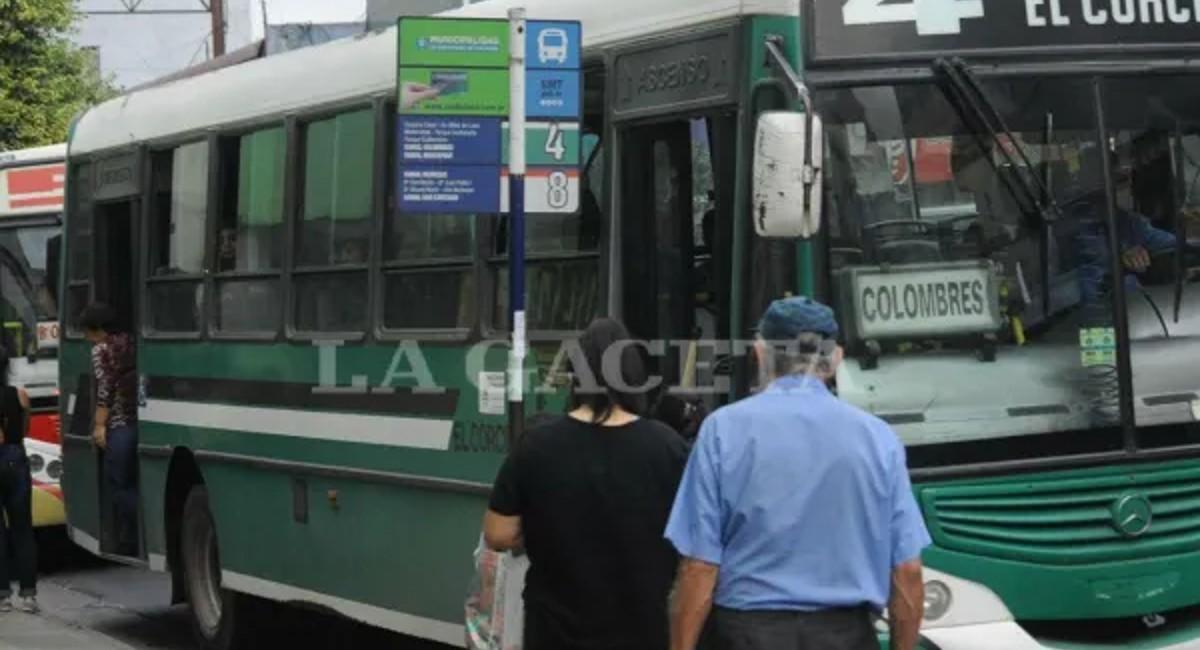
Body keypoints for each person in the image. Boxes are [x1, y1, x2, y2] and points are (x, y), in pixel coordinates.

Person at [666, 296, 931, 650]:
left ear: (760, 353)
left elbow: (698, 567)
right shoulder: (878, 438)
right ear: (836, 358)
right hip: (846, 636)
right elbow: (907, 571)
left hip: (746, 636)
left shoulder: (722, 431)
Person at [483, 318, 688, 650]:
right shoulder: (668, 447)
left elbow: (497, 533)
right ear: (634, 376)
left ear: (575, 375)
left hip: (554, 632)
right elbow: (691, 541)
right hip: (641, 632)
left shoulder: (536, 445)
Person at [81, 303, 139, 555]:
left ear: (99, 330)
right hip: (139, 420)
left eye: (88, 331)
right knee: (131, 478)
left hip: (119, 424)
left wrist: (99, 425)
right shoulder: (129, 342)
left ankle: (139, 526)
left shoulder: (100, 350)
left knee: (117, 483)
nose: (86, 337)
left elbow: (106, 388)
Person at [0, 349, 36, 613]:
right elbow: (25, 429)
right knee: (23, 528)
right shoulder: (20, 395)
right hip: (16, 459)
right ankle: (28, 595)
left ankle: (3, 596)